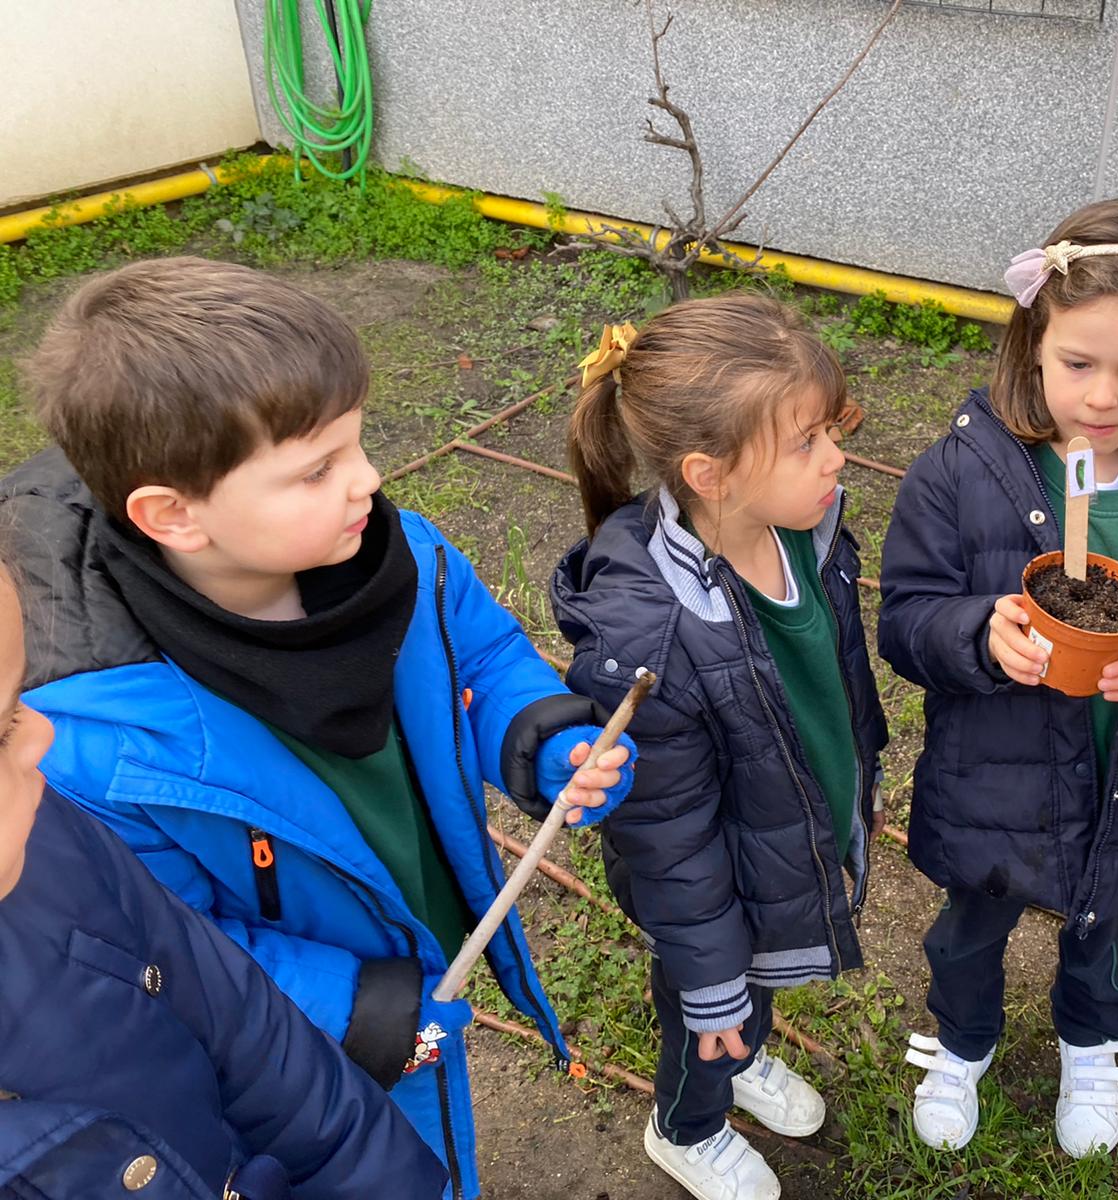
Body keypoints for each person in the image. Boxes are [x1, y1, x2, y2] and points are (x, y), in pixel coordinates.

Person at [1, 257, 635, 1200]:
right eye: (317, 468)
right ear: (173, 515)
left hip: (426, 927)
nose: (369, 481)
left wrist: (545, 739)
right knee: (394, 1156)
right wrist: (364, 1011)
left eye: (358, 444)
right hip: (329, 1041)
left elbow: (486, 655)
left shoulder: (401, 553)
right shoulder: (93, 747)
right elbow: (181, 948)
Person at [878, 199, 1118, 1158]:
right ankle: (962, 1040)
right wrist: (978, 634)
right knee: (973, 922)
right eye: (1077, 363)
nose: (1101, 398)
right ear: (1033, 340)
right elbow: (907, 615)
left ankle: (1090, 1041)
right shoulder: (964, 471)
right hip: (994, 774)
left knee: (1104, 923)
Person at [551, 295, 888, 1200]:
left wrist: (861, 768)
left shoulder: (803, 531)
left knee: (755, 993)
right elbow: (666, 833)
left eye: (830, 431)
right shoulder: (652, 633)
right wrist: (707, 978)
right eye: (807, 441)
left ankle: (744, 1051)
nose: (837, 457)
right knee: (712, 1010)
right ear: (710, 473)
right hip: (716, 883)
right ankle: (688, 1122)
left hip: (784, 829)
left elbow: (831, 673)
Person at [0, 557, 450, 1199]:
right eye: (3, 728)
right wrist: (342, 1002)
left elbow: (224, 1004)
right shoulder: (97, 758)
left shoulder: (48, 836)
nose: (41, 731)